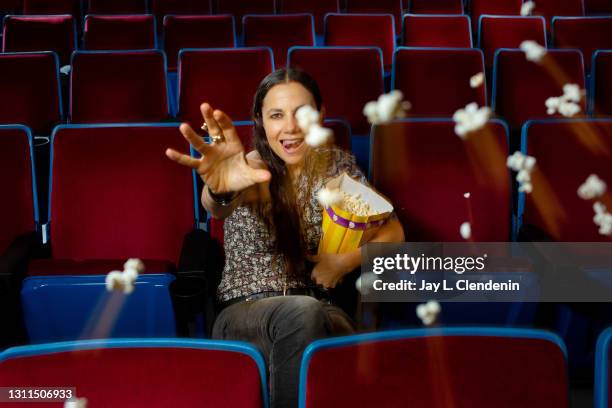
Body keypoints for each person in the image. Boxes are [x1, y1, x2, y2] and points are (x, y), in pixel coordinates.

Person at [166, 68, 404, 407]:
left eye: (302, 113)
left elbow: (393, 232)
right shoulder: (247, 169)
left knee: (346, 340)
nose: (290, 127)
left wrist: (342, 262)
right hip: (244, 314)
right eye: (276, 115)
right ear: (261, 122)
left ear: (321, 114)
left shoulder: (337, 167)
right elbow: (218, 205)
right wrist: (218, 190)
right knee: (304, 314)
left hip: (319, 309)